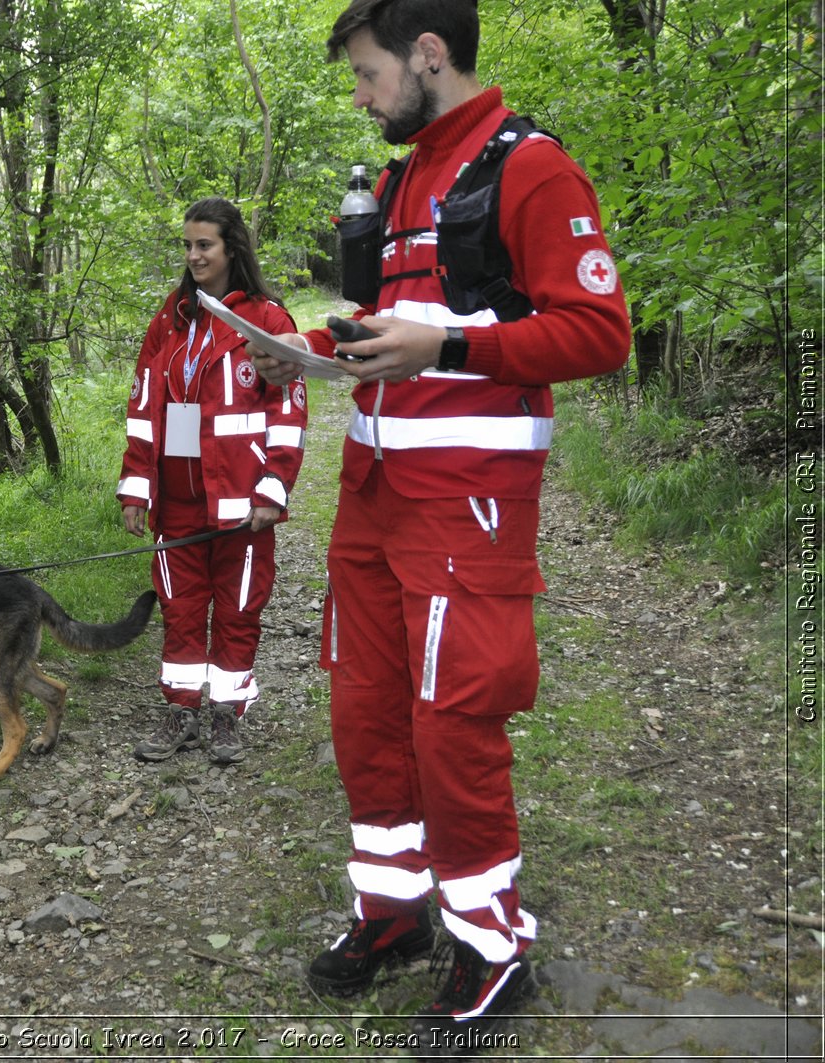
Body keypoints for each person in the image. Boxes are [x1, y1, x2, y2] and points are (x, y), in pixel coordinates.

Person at [248, 0, 632, 1050]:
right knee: (365, 711)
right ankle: (394, 911)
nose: (362, 97)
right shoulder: (401, 173)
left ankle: (491, 945)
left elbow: (598, 331)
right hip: (371, 492)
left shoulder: (530, 167)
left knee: (451, 723)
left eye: (369, 75)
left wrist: (447, 351)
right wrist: (319, 356)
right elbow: (402, 329)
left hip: (466, 501)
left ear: (429, 55)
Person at [116, 196, 308, 766]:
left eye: (205, 245)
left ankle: (227, 713)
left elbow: (289, 413)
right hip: (177, 498)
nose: (194, 255)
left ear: (231, 249)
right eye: (188, 245)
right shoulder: (169, 320)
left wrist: (273, 488)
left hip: (242, 499)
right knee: (179, 606)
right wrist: (136, 484)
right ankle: (181, 709)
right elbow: (144, 407)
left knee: (239, 605)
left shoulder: (269, 321)